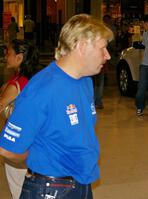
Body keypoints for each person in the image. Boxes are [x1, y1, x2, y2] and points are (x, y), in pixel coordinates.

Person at [0, 13, 113, 199]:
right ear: (82, 46)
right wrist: (42, 158)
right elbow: (7, 148)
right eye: (103, 48)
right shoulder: (42, 89)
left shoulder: (85, 81)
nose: (107, 55)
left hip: (81, 183)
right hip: (49, 189)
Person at [0, 39, 39, 199]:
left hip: (17, 146)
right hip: (35, 144)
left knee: (19, 192)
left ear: (19, 57)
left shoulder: (16, 84)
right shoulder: (35, 80)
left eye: (8, 53)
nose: (5, 56)